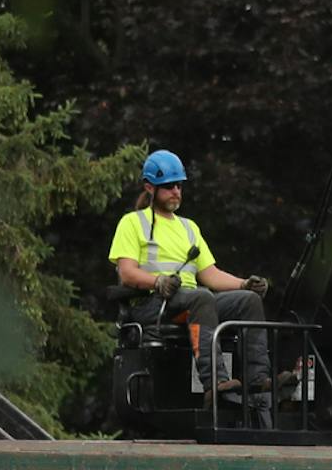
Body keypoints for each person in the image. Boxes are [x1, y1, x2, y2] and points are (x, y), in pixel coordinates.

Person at [110, 149, 273, 425]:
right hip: (153, 306)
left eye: (179, 185)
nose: (176, 191)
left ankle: (258, 380)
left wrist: (245, 283)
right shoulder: (132, 223)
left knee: (247, 300)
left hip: (191, 304)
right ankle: (216, 384)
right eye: (168, 187)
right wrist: (157, 281)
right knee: (201, 298)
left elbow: (210, 274)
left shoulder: (189, 228)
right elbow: (126, 273)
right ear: (150, 187)